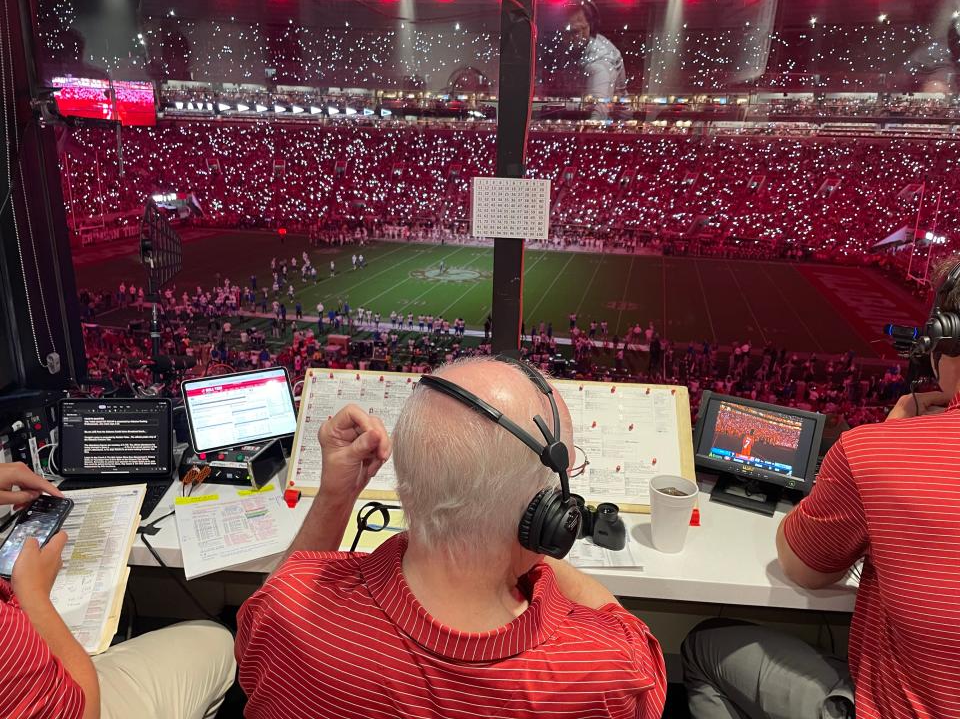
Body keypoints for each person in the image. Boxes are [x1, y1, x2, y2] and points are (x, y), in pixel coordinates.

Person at [236, 357, 666, 718]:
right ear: (551, 516)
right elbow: (640, 659)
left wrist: (336, 494)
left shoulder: (285, 605)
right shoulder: (608, 664)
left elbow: (254, 643)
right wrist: (533, 545)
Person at [682, 256, 960, 719]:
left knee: (703, 645)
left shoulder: (879, 452)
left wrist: (890, 440)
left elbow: (802, 567)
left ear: (944, 338)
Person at [0, 462, 236, 719]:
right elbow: (86, 708)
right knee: (216, 638)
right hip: (79, 701)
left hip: (30, 679)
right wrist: (33, 596)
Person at [564, 0, 626, 119]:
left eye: (574, 32)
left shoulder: (600, 62)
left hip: (612, 126)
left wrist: (582, 136)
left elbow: (599, 112)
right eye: (565, 32)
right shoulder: (580, 49)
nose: (567, 39)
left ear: (591, 28)